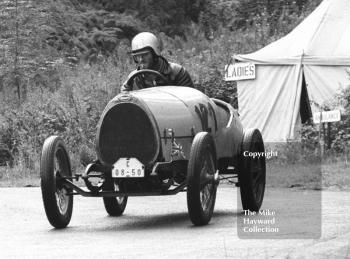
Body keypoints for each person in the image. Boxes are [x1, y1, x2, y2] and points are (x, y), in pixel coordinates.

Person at [121, 32, 194, 92]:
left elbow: (189, 100)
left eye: (145, 54)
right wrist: (125, 93)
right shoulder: (133, 78)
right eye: (137, 56)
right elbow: (124, 102)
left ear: (155, 53)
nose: (141, 59)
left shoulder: (177, 72)